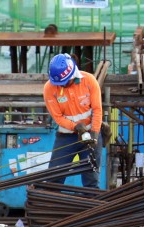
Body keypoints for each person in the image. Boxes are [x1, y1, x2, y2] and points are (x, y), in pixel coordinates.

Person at [42, 53, 102, 188]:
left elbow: (97, 110)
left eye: (65, 82)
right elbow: (57, 117)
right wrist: (75, 127)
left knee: (91, 177)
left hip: (90, 133)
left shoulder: (89, 81)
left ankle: (90, 205)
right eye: (59, 83)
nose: (62, 86)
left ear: (73, 74)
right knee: (54, 175)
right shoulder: (49, 88)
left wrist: (95, 133)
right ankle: (50, 206)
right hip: (66, 136)